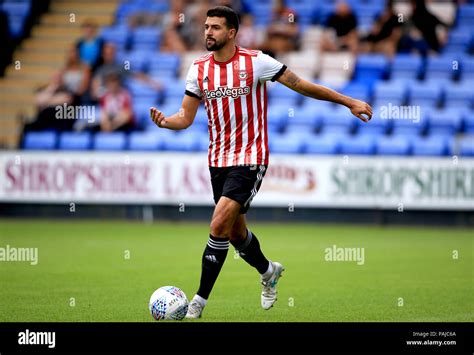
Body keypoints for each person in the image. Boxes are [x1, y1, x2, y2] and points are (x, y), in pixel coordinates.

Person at [149, 6, 372, 319]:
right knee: (235, 233)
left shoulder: (256, 62)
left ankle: (198, 302)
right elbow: (185, 117)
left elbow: (302, 85)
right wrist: (165, 122)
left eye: (215, 27)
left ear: (231, 32)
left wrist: (349, 101)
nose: (208, 32)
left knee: (217, 225)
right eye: (206, 27)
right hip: (217, 160)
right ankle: (268, 271)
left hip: (251, 156)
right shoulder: (197, 69)